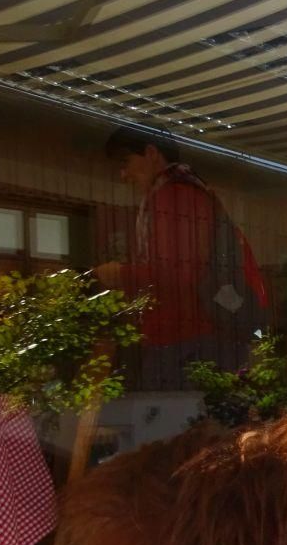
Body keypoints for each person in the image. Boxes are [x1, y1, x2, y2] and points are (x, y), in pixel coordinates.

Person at [97, 126, 269, 387]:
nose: (124, 175)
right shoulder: (185, 191)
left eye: (126, 162)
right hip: (196, 339)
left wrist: (120, 274)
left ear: (151, 153)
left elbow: (178, 271)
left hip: (188, 342)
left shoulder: (174, 195)